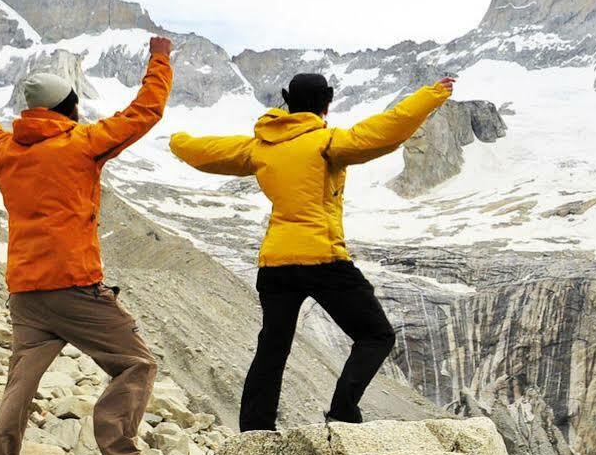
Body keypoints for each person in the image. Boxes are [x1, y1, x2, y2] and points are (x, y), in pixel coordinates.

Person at [169, 71, 453, 430]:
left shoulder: (261, 146)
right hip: (323, 259)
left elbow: (207, 152)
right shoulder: (329, 142)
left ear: (287, 100)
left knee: (273, 347)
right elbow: (387, 129)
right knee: (375, 335)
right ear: (328, 103)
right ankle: (343, 411)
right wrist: (431, 95)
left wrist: (178, 141)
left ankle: (255, 430)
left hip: (275, 264)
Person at [0, 36, 173, 455]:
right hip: (75, 286)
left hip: (25, 291)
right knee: (135, 362)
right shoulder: (83, 143)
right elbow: (144, 113)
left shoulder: (4, 149)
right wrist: (160, 60)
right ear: (70, 106)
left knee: (22, 382)